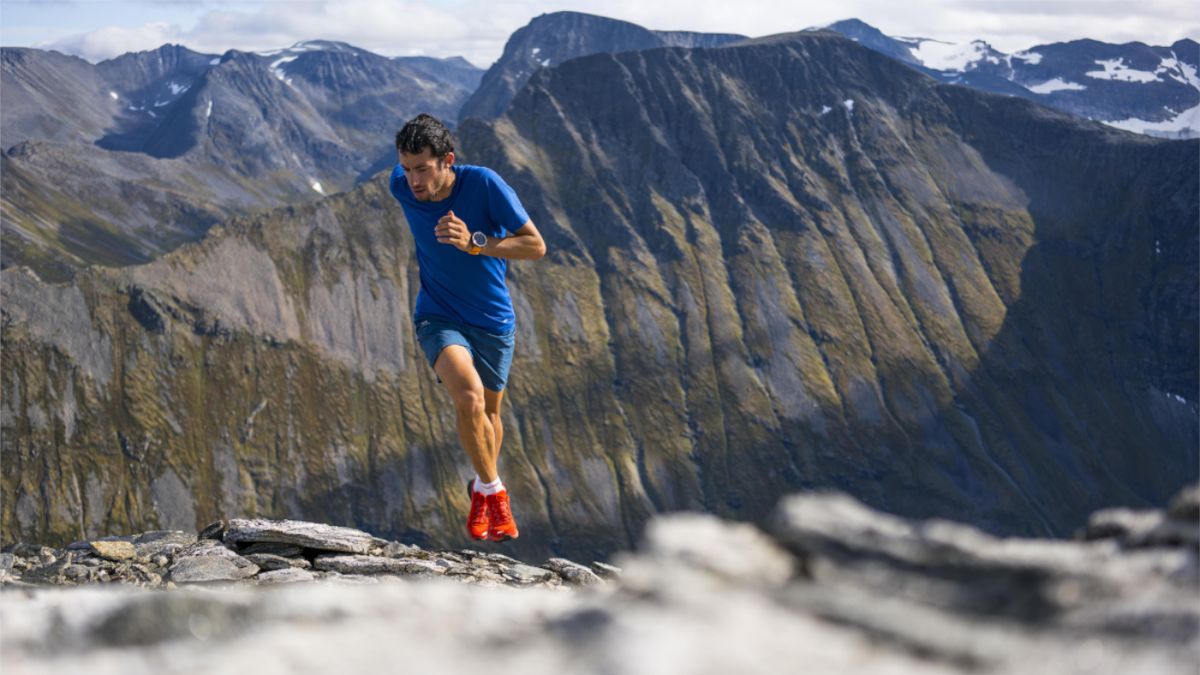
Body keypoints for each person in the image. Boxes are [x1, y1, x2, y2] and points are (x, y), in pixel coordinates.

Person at [389, 113, 546, 543]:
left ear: (448, 160)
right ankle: (495, 493)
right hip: (437, 313)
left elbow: (535, 245)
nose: (413, 180)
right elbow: (403, 172)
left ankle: (479, 486)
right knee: (469, 396)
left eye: (423, 168)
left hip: (493, 319)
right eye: (406, 168)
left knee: (491, 415)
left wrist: (476, 242)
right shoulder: (400, 186)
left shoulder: (485, 185)